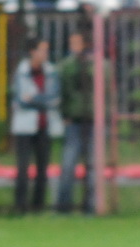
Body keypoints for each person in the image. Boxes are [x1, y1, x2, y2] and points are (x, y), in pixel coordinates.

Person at [10, 37, 63, 214]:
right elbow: (20, 100)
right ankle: (20, 206)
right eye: (42, 49)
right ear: (32, 51)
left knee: (42, 167)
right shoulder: (21, 72)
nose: (46, 53)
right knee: (23, 167)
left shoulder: (51, 72)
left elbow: (54, 99)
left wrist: (33, 98)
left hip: (44, 125)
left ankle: (38, 206)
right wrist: (43, 100)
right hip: (24, 126)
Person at [56, 31, 96, 215]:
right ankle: (63, 207)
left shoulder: (96, 64)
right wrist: (64, 114)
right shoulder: (66, 66)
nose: (74, 47)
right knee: (68, 165)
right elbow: (62, 92)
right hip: (74, 121)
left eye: (77, 43)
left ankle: (91, 206)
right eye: (72, 43)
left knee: (92, 166)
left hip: (93, 121)